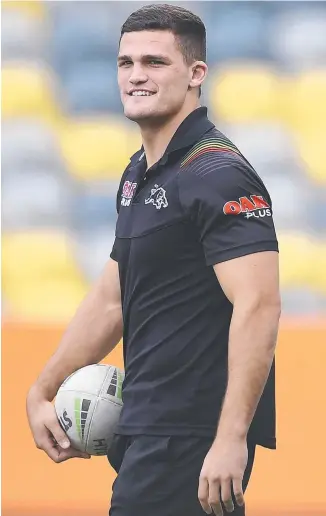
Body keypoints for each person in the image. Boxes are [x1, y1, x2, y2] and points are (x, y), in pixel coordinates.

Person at [26, 4, 281, 516]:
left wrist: (231, 438)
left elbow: (259, 304)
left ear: (196, 73)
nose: (137, 75)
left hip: (190, 438)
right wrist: (43, 389)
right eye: (126, 63)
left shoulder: (219, 174)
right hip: (146, 429)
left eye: (155, 62)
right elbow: (110, 298)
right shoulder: (138, 174)